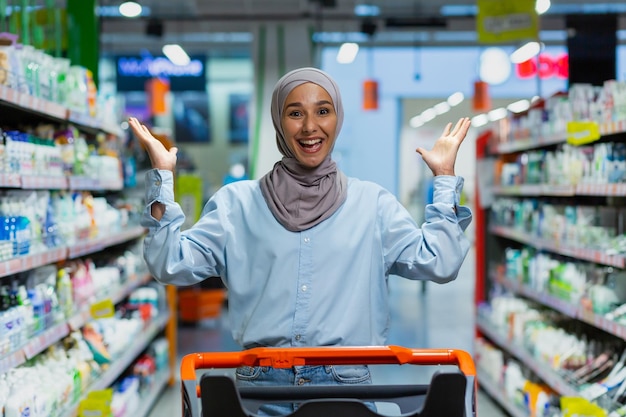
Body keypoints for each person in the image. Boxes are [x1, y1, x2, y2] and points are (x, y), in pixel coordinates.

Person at [128, 67, 472, 416]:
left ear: (338, 119)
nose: (310, 126)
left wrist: (444, 178)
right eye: (295, 113)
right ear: (279, 121)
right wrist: (163, 180)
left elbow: (441, 262)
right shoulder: (237, 204)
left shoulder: (373, 205)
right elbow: (168, 262)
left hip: (345, 386)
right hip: (259, 387)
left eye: (323, 111)